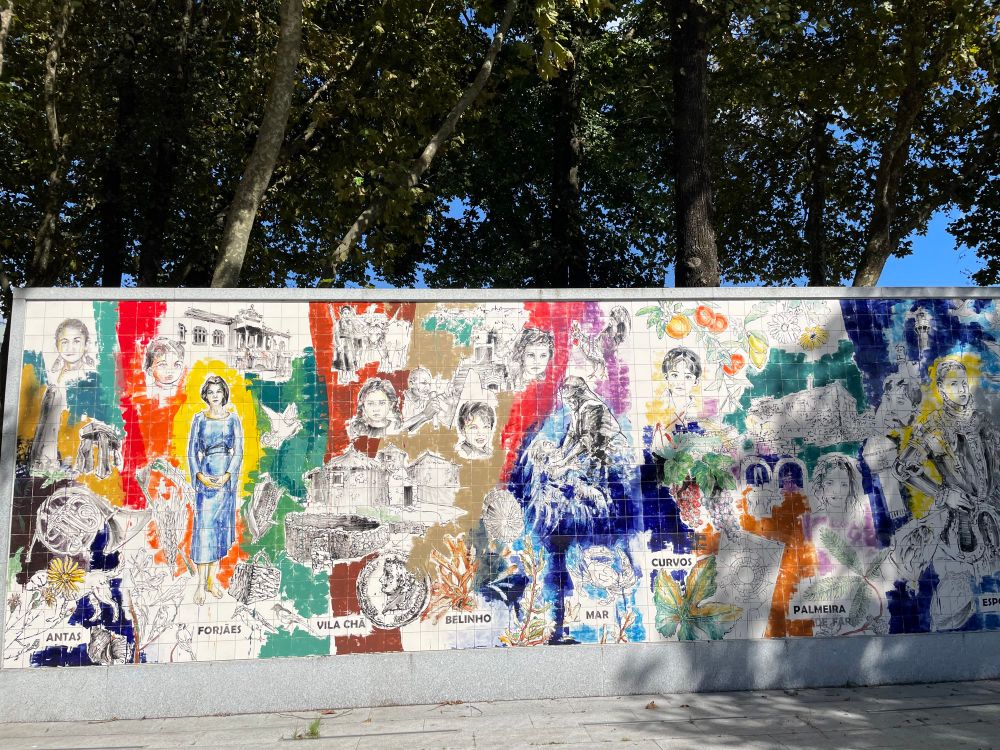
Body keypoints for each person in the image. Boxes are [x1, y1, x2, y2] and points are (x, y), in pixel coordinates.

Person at [893, 358, 1000, 630]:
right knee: (954, 597)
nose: (962, 389)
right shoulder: (934, 426)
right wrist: (942, 494)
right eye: (954, 384)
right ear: (941, 389)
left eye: (964, 383)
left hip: (993, 513)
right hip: (960, 522)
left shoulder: (983, 420)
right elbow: (904, 467)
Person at [187, 375, 243, 605]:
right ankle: (200, 585)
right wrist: (200, 476)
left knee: (219, 530)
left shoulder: (233, 420)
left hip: (226, 483)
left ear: (224, 394)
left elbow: (238, 451)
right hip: (205, 479)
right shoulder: (198, 419)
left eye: (219, 392)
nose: (215, 396)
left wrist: (228, 475)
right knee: (204, 532)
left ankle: (213, 580)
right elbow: (192, 452)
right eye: (211, 392)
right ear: (205, 395)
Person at [30, 319, 96, 473]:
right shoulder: (53, 378)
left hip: (76, 451)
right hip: (50, 454)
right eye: (64, 342)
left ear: (86, 345)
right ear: (57, 345)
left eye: (76, 341)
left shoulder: (91, 377)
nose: (70, 348)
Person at [554, 376, 624, 471]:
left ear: (580, 395)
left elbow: (585, 440)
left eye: (570, 398)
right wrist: (562, 452)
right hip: (597, 450)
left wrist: (565, 460)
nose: (568, 402)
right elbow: (571, 433)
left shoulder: (593, 407)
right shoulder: (576, 409)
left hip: (614, 450)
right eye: (566, 399)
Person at [332, 306, 364, 383]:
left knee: (350, 359)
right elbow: (336, 334)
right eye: (345, 313)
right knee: (342, 360)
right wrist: (338, 345)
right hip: (342, 342)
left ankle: (351, 376)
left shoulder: (351, 323)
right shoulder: (338, 323)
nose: (347, 315)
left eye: (348, 313)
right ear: (342, 314)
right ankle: (342, 377)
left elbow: (357, 331)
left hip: (350, 343)